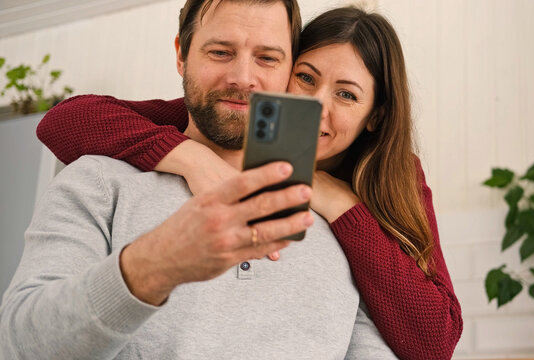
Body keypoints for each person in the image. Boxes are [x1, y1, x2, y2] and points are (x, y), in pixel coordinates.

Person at [34, 3, 463, 360]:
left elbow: (436, 338)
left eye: (347, 94)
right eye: (306, 77)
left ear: (376, 116)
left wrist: (342, 205)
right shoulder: (231, 116)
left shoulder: (393, 174)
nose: (316, 105)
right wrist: (195, 159)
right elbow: (67, 119)